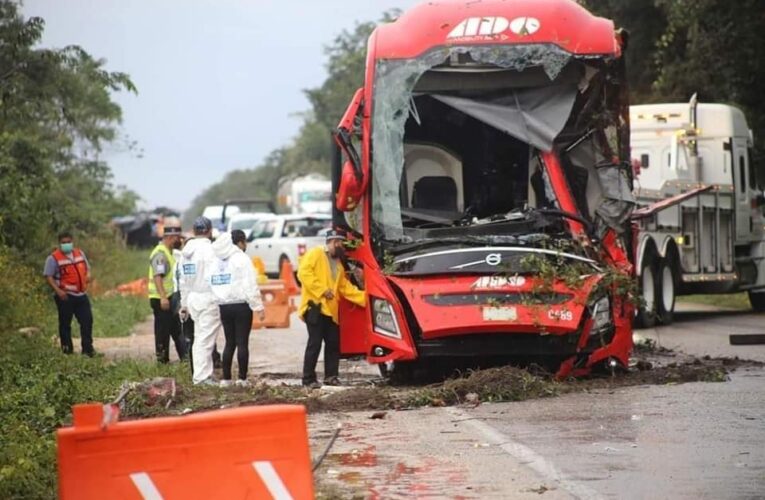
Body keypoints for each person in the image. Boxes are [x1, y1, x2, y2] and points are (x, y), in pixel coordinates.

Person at [297, 229, 366, 388]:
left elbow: (344, 287)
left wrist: (365, 298)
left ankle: (331, 377)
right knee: (314, 343)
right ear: (333, 242)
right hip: (314, 307)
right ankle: (308, 379)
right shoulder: (316, 253)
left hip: (330, 311)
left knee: (333, 344)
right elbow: (303, 273)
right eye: (340, 243)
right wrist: (322, 290)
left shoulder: (338, 265)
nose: (342, 246)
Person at [210, 230, 266, 387]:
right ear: (240, 242)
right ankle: (242, 379)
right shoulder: (242, 258)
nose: (246, 245)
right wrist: (258, 307)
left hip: (224, 306)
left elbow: (211, 281)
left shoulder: (217, 260)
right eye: (245, 242)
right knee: (242, 342)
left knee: (229, 342)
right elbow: (250, 284)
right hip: (241, 305)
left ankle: (226, 379)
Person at [179, 216, 223, 385]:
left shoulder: (186, 253)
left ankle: (203, 373)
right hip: (207, 298)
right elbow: (216, 277)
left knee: (200, 337)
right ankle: (201, 377)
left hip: (192, 298)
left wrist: (184, 303)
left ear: (194, 231)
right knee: (205, 340)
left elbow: (182, 280)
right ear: (210, 231)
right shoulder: (211, 251)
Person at [43, 231, 95, 356]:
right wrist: (58, 291)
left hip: (81, 294)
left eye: (68, 242)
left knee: (87, 321)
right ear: (59, 244)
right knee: (65, 324)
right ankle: (67, 350)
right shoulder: (53, 258)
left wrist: (88, 276)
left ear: (72, 241)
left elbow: (87, 269)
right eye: (63, 243)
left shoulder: (79, 253)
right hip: (65, 296)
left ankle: (88, 350)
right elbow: (48, 276)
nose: (66, 245)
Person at [148, 217, 187, 363]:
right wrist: (163, 297)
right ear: (170, 237)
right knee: (162, 332)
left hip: (169, 298)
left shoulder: (169, 251)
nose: (179, 240)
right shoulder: (160, 253)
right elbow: (158, 276)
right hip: (160, 299)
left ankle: (185, 359)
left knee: (177, 330)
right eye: (177, 238)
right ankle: (162, 360)